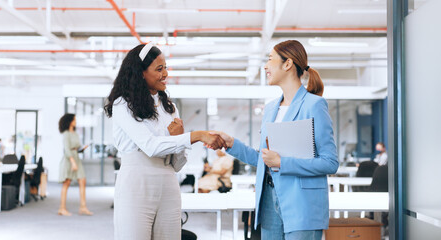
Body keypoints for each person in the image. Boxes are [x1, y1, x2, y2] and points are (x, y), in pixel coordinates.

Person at [208, 40, 339, 240]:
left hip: (301, 203)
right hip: (269, 199)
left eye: (270, 59)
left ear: (288, 64)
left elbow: (330, 162)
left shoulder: (314, 105)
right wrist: (231, 143)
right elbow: (264, 159)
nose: (265, 66)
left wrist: (282, 163)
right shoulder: (271, 109)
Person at [103, 43, 226, 240]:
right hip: (137, 184)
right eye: (159, 69)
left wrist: (179, 139)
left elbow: (177, 164)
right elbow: (151, 146)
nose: (166, 73)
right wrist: (195, 136)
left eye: (166, 67)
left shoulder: (170, 108)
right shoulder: (123, 104)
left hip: (168, 184)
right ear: (141, 73)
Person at [57, 113, 92, 216]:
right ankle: (62, 208)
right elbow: (67, 149)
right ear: (70, 121)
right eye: (74, 119)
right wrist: (72, 162)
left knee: (82, 180)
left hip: (76, 157)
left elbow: (77, 147)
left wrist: (83, 148)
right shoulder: (66, 134)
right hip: (69, 159)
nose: (76, 121)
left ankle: (83, 207)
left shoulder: (75, 133)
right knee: (66, 183)